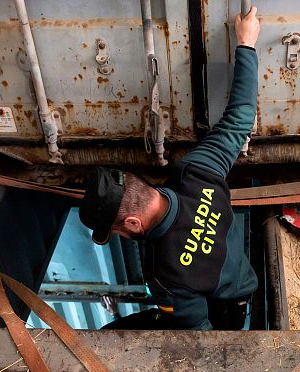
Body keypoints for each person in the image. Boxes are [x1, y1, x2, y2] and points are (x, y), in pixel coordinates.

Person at [77, 8, 261, 330]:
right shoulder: (196, 172)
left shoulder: (165, 274)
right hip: (241, 278)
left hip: (222, 312)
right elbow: (240, 118)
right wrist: (246, 45)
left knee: (109, 334)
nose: (120, 235)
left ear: (133, 222)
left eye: (117, 230)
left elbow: (197, 338)